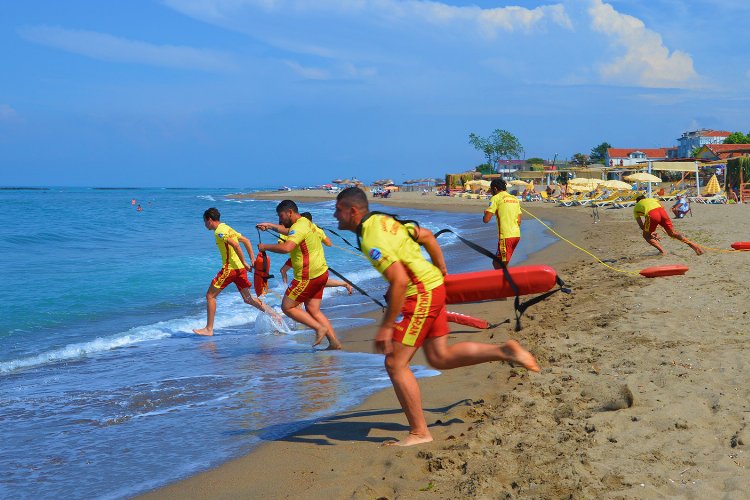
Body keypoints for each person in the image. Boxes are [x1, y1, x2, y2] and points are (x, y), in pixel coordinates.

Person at [334, 187, 540, 447]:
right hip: (431, 288)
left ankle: (420, 432)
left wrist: (386, 327)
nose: (334, 215)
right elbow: (428, 236)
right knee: (439, 357)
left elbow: (399, 281)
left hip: (418, 294)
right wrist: (440, 268)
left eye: (338, 210)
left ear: (353, 211)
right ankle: (505, 351)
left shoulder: (370, 237)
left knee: (395, 364)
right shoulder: (384, 220)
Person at [257, 201, 342, 350]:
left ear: (290, 212)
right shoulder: (306, 222)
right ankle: (334, 343)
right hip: (321, 273)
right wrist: (270, 226)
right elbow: (289, 231)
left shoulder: (299, 227)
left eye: (281, 216)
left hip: (307, 276)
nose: (280, 220)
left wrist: (265, 247)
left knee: (287, 307)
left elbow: (286, 247)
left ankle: (318, 328)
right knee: (313, 310)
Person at [193, 208, 282, 336]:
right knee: (248, 298)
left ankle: (209, 329)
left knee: (210, 296)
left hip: (230, 269)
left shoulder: (219, 232)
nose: (205, 225)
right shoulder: (227, 228)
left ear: (209, 220)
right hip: (239, 270)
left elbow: (236, 245)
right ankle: (275, 315)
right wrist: (251, 260)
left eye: (205, 222)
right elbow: (246, 240)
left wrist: (246, 262)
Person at [277, 212, 353, 295]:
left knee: (312, 282)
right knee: (318, 281)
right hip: (313, 258)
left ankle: (288, 292)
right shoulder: (316, 229)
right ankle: (344, 284)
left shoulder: (293, 229)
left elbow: (282, 247)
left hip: (303, 259)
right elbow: (329, 243)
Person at [633, 195, 703, 255]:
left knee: (646, 236)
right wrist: (653, 229)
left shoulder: (636, 207)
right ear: (645, 198)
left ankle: (663, 251)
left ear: (637, 202)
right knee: (672, 233)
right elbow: (659, 212)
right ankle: (693, 245)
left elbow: (642, 225)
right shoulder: (653, 199)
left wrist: (650, 233)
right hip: (662, 212)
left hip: (652, 215)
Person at [482, 178, 521, 267]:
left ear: (495, 189)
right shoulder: (514, 198)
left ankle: (507, 280)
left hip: (506, 237)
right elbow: (519, 221)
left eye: (491, 190)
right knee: (500, 263)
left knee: (498, 264)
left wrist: (485, 214)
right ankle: (505, 280)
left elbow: (486, 220)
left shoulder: (495, 198)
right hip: (516, 235)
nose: (491, 192)